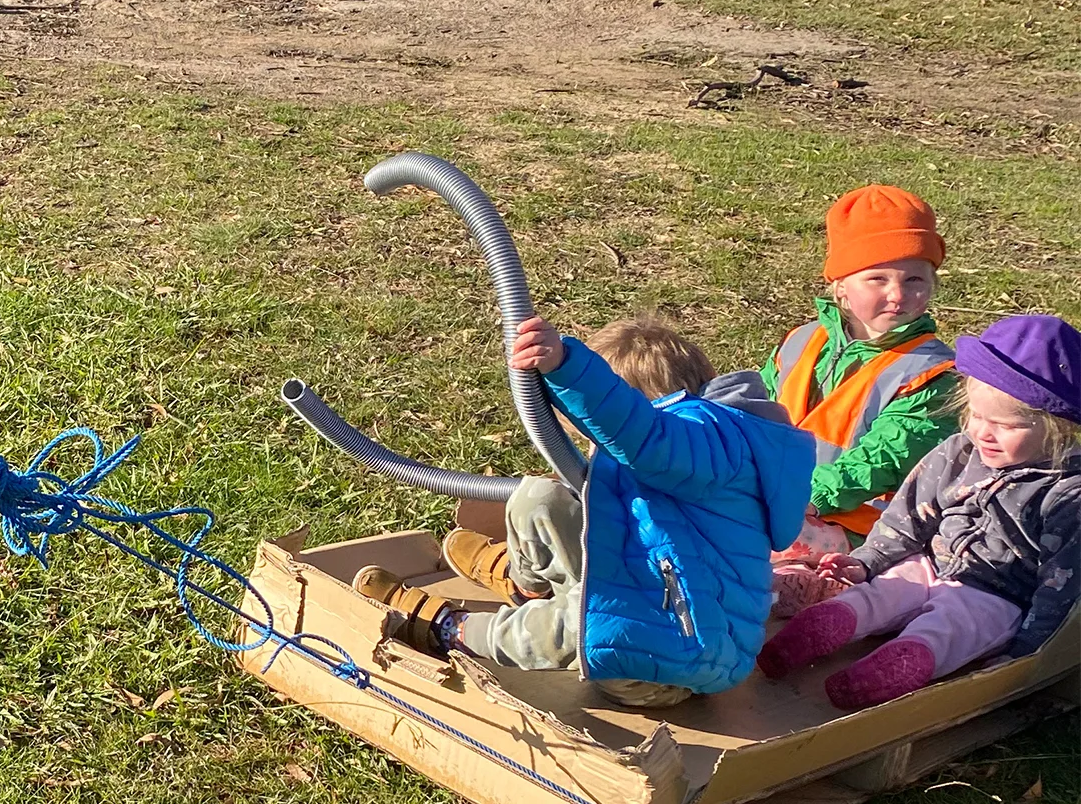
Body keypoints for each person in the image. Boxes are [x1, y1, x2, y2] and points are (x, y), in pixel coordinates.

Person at [353, 315, 815, 706]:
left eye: (597, 436)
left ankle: (452, 630)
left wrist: (568, 368)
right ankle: (526, 585)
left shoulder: (701, 440)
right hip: (660, 591)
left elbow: (641, 433)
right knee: (539, 495)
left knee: (568, 623)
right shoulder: (709, 448)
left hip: (674, 659)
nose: (592, 446)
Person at [757, 315, 1081, 710]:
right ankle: (819, 628)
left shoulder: (1066, 494)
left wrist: (1028, 654)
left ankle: (894, 666)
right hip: (928, 563)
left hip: (998, 593)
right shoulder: (959, 451)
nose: (983, 433)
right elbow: (908, 516)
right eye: (976, 416)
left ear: (1057, 427)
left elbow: (1060, 586)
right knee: (882, 592)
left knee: (950, 627)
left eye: (1004, 425)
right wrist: (868, 562)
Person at [763, 186, 957, 614]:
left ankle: (816, 592)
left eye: (914, 280)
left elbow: (884, 458)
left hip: (857, 524)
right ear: (840, 286)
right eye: (878, 278)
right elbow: (754, 411)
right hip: (779, 502)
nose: (898, 294)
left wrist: (801, 498)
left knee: (764, 566)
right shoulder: (802, 341)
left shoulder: (933, 373)